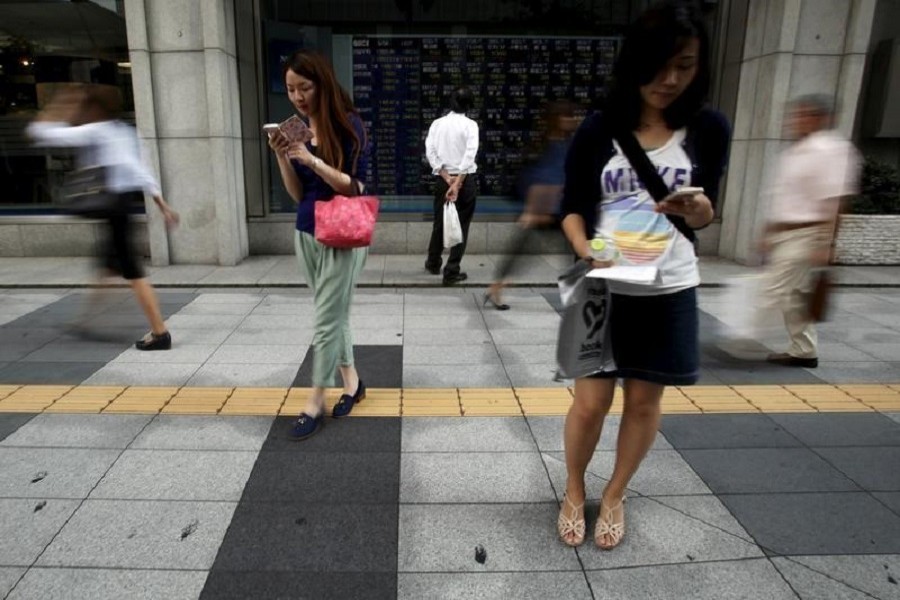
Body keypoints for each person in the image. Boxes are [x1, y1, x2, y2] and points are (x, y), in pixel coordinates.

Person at [556, 0, 730, 549]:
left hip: (670, 284)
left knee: (644, 401)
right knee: (589, 401)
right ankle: (573, 487)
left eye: (685, 64)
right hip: (604, 283)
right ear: (635, 62)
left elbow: (707, 211)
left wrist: (697, 211)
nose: (670, 78)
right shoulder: (599, 127)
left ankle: (614, 493)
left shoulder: (708, 127)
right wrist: (587, 250)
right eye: (659, 64)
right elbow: (573, 206)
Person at [267, 50, 371, 440]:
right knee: (334, 312)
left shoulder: (350, 125)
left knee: (326, 319)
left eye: (304, 87)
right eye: (291, 89)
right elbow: (299, 195)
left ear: (322, 83)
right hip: (306, 230)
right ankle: (354, 383)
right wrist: (283, 158)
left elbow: (354, 186)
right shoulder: (297, 128)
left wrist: (312, 160)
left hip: (343, 230)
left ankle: (315, 400)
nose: (297, 96)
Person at [27, 85, 179, 351]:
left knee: (133, 272)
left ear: (95, 108)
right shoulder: (127, 132)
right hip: (122, 206)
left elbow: (41, 133)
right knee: (106, 266)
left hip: (113, 207)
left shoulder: (99, 130)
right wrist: (161, 204)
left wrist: (60, 105)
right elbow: (142, 171)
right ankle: (84, 321)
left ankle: (160, 332)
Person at [758, 95, 860, 368]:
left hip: (807, 233)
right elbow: (783, 197)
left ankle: (746, 336)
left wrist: (826, 243)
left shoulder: (831, 150)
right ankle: (803, 349)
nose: (795, 121)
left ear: (818, 118)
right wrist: (769, 231)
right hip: (786, 232)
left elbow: (835, 201)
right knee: (790, 293)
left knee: (781, 289)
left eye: (802, 115)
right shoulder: (795, 151)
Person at [484, 100, 580, 310]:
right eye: (566, 116)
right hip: (545, 211)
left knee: (573, 253)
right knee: (522, 251)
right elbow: (533, 177)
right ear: (556, 119)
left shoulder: (568, 143)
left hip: (561, 210)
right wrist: (530, 209)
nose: (571, 120)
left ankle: (577, 295)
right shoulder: (544, 145)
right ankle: (497, 286)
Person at [424, 87, 480, 285]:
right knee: (461, 225)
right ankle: (452, 270)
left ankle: (433, 262)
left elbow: (430, 151)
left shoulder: (437, 124)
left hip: (443, 180)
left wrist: (447, 178)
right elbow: (469, 155)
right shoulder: (471, 125)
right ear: (469, 105)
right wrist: (457, 183)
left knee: (440, 222)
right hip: (464, 182)